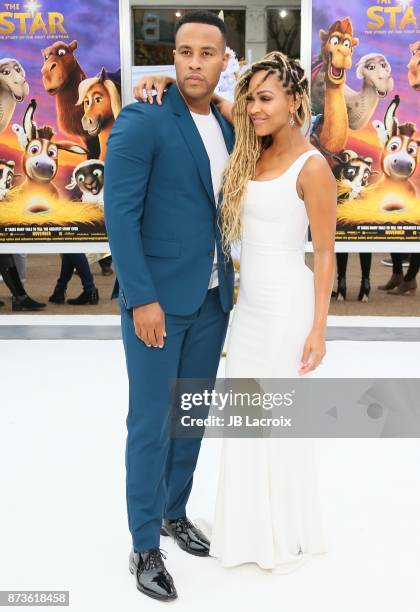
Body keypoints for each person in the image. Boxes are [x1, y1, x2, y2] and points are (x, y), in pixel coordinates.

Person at [134, 49, 336, 573]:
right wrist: (160, 80)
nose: (254, 108)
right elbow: (208, 102)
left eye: (266, 99)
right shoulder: (250, 145)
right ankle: (246, 528)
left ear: (296, 102)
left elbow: (327, 254)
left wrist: (319, 328)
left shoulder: (313, 168)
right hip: (244, 310)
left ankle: (281, 530)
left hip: (288, 306)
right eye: (250, 99)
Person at [104, 11, 234, 602]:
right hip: (158, 303)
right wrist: (142, 299)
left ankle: (173, 513)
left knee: (190, 417)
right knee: (150, 424)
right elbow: (120, 217)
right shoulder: (144, 117)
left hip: (212, 299)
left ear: (223, 60)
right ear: (172, 57)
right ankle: (143, 544)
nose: (195, 62)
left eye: (208, 53)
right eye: (185, 52)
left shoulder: (231, 128)